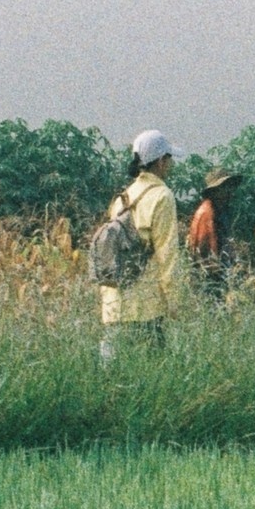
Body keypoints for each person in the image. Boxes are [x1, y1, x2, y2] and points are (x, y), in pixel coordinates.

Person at [95, 129, 185, 361]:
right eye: (169, 159)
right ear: (161, 162)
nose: (171, 165)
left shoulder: (122, 198)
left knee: (111, 373)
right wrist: (174, 301)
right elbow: (168, 254)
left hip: (113, 304)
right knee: (153, 372)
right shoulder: (162, 196)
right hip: (145, 305)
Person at [184, 167, 244, 293]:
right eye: (225, 187)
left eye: (230, 186)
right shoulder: (207, 213)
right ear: (215, 191)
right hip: (211, 279)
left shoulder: (220, 210)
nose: (230, 191)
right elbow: (207, 256)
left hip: (222, 274)